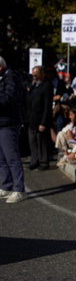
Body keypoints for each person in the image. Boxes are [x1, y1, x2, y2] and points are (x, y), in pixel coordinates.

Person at [0, 56, 27, 203]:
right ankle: (6, 186)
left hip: (9, 123)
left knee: (12, 157)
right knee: (1, 159)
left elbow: (8, 99)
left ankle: (20, 189)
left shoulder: (12, 78)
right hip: (1, 123)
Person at [27, 65, 53, 171]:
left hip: (41, 118)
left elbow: (47, 106)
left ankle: (43, 161)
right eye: (32, 75)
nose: (34, 77)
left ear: (42, 74)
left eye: (36, 75)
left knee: (42, 142)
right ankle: (35, 160)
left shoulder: (47, 86)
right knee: (32, 141)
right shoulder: (34, 85)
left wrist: (43, 122)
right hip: (32, 119)